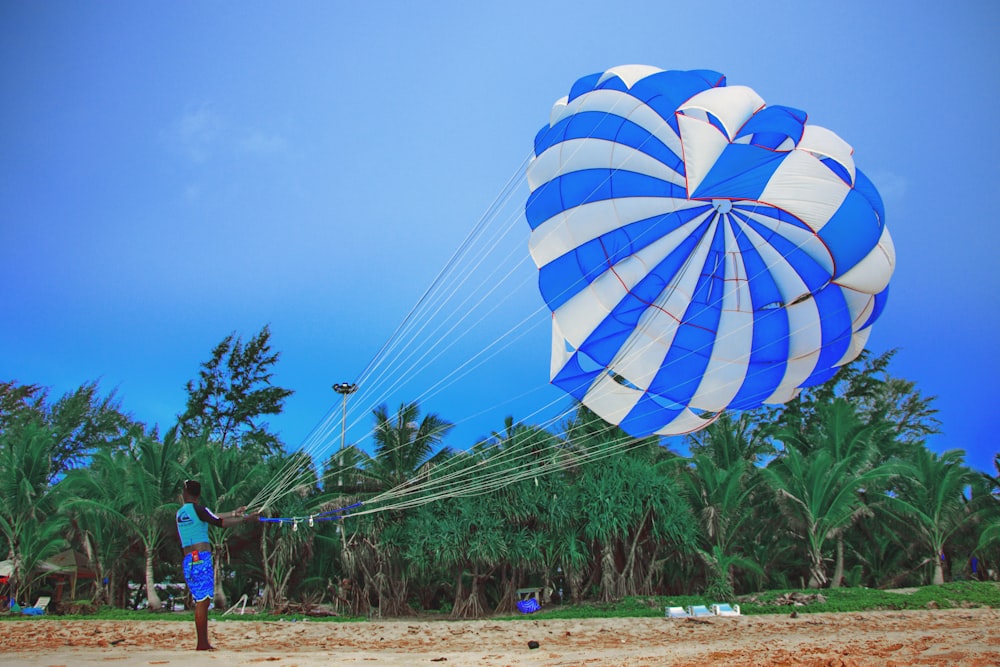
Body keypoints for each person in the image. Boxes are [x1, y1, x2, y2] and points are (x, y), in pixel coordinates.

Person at [176, 479, 258, 651]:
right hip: (201, 559)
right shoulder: (199, 510)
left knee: (200, 600)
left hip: (188, 560)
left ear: (185, 493)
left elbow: (211, 516)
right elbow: (218, 522)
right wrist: (245, 520)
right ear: (198, 494)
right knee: (203, 601)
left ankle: (202, 642)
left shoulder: (181, 512)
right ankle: (202, 643)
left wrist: (234, 513)